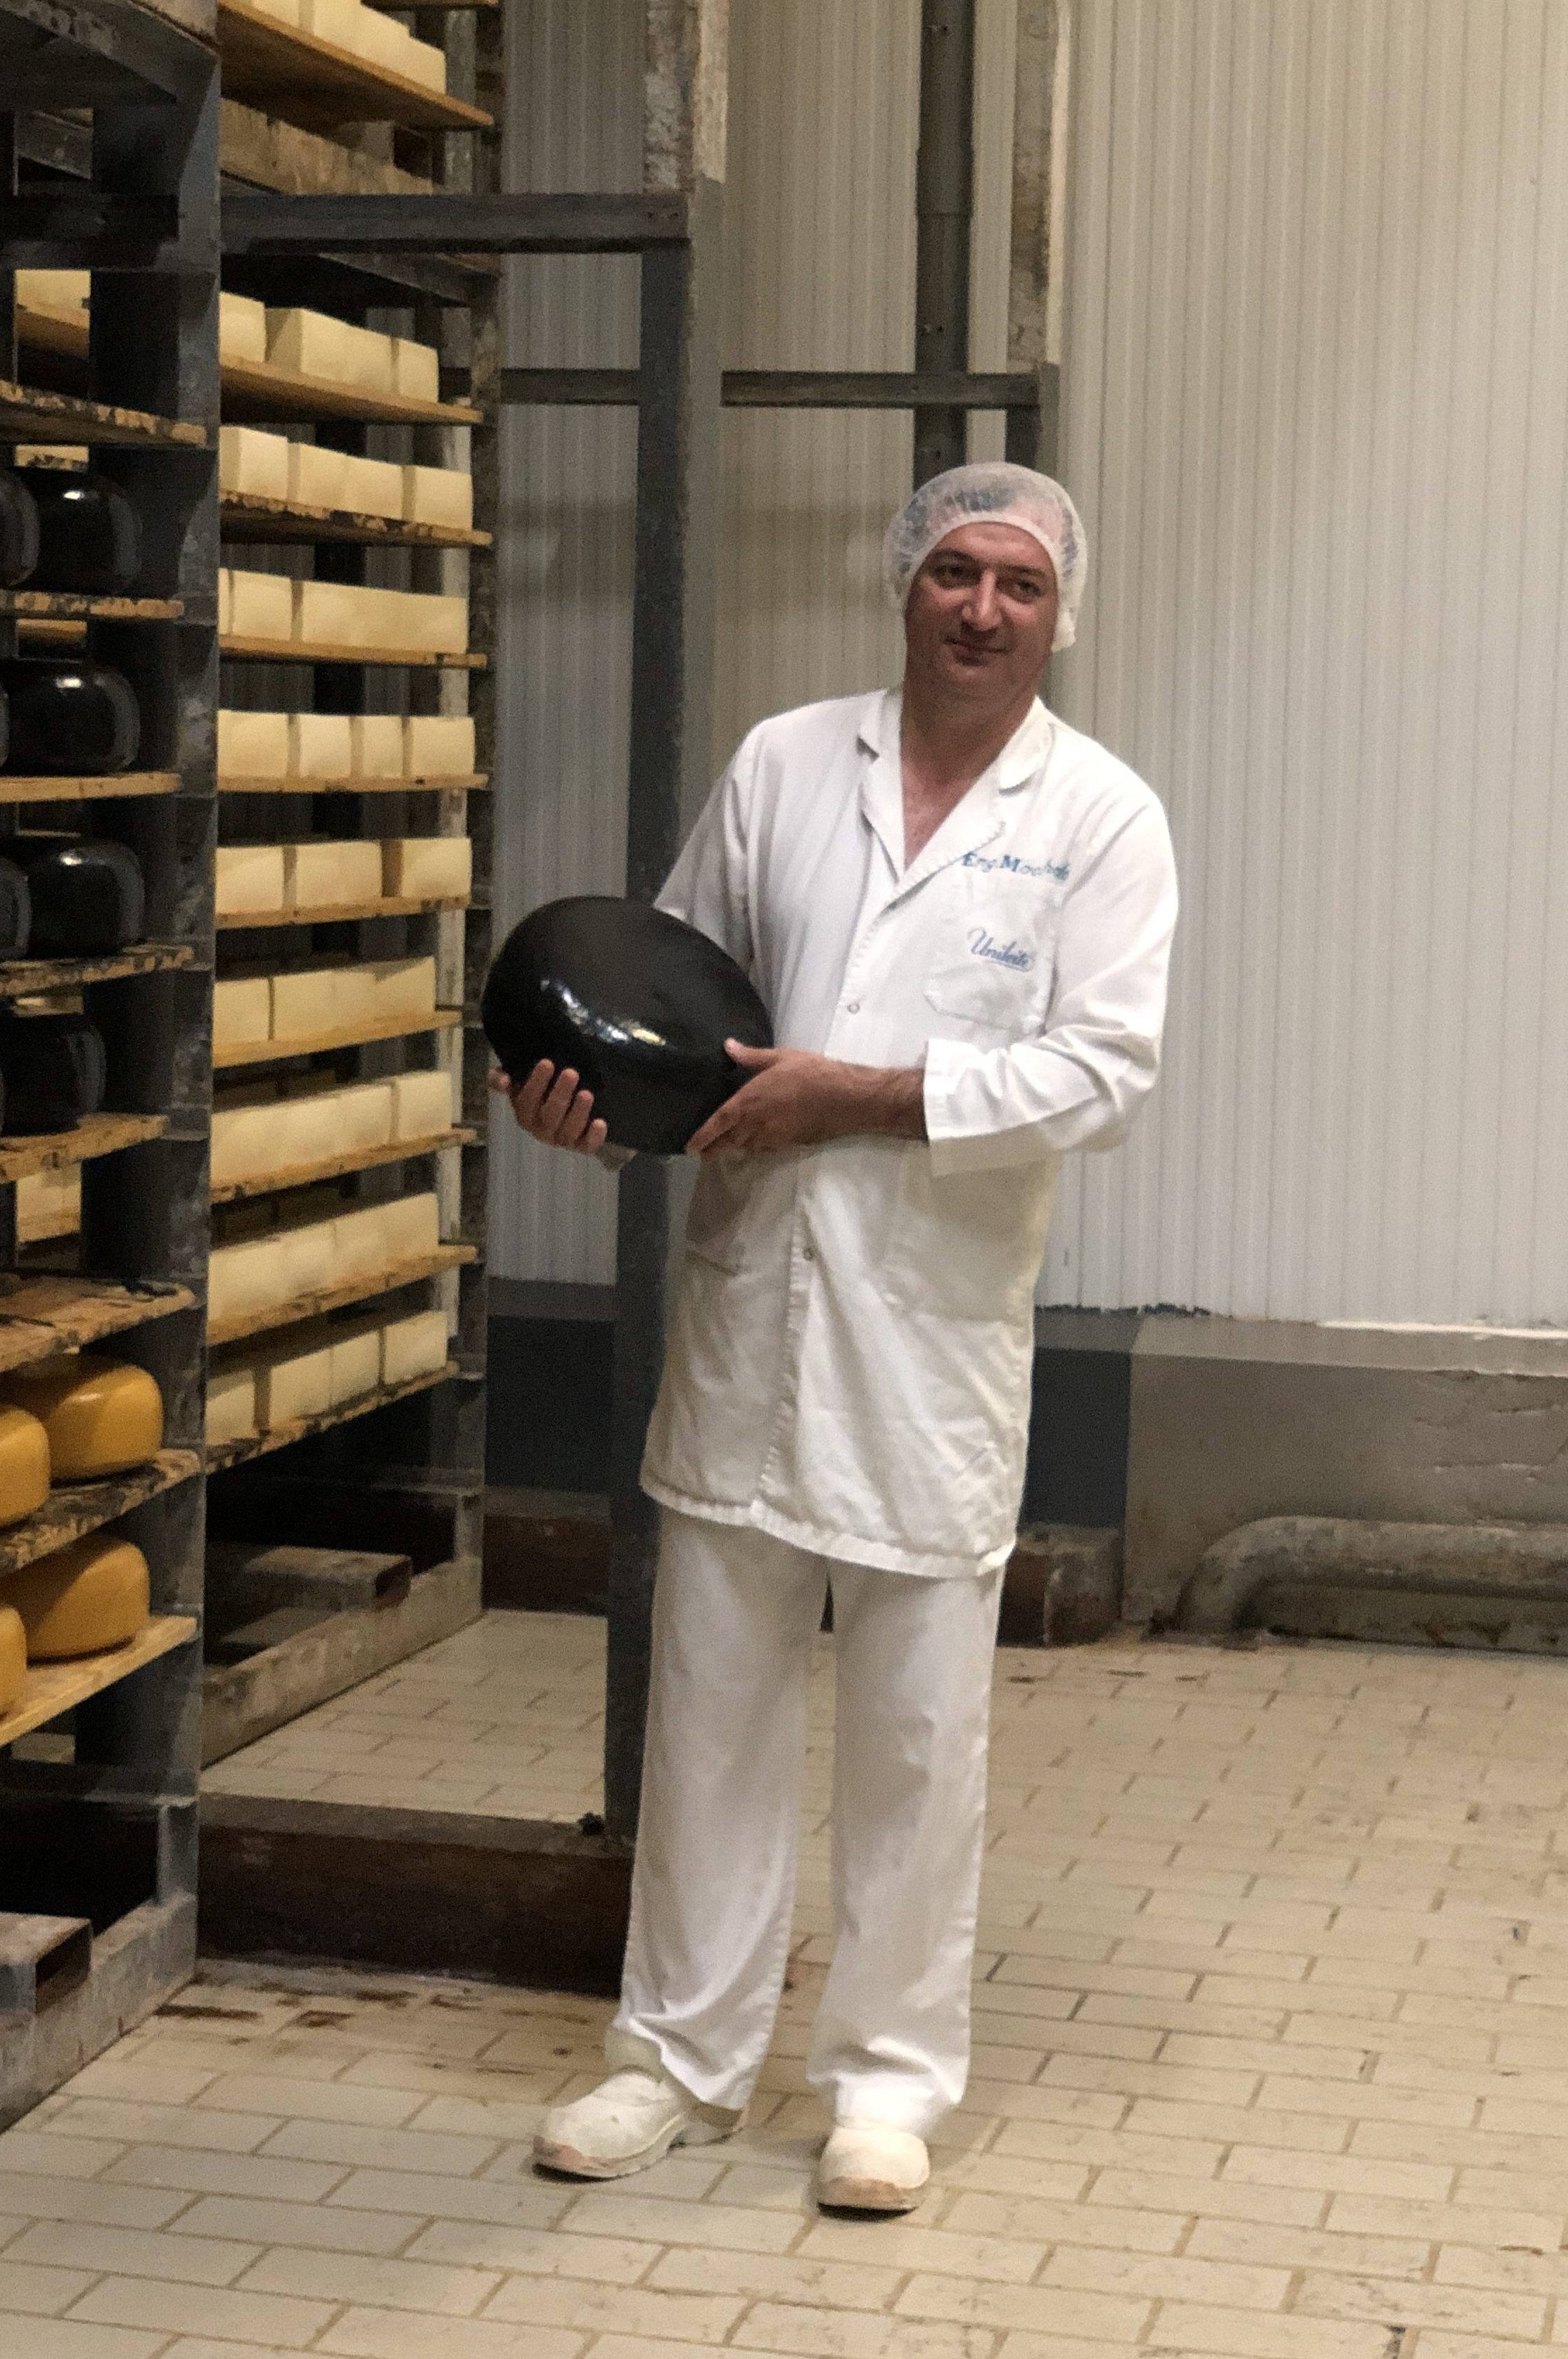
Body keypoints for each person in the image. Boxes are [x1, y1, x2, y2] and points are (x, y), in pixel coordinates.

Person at [497, 462, 1178, 2214]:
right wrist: (587, 1110)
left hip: (930, 1338)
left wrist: (857, 1099)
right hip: (754, 1307)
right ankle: (678, 2055)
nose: (981, 608)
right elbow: (671, 1005)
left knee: (914, 1733)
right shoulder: (786, 764)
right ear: (904, 587)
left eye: (1018, 585)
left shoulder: (1100, 817)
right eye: (954, 572)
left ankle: (885, 2080)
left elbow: (1103, 1073)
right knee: (707, 1709)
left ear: (1057, 615)